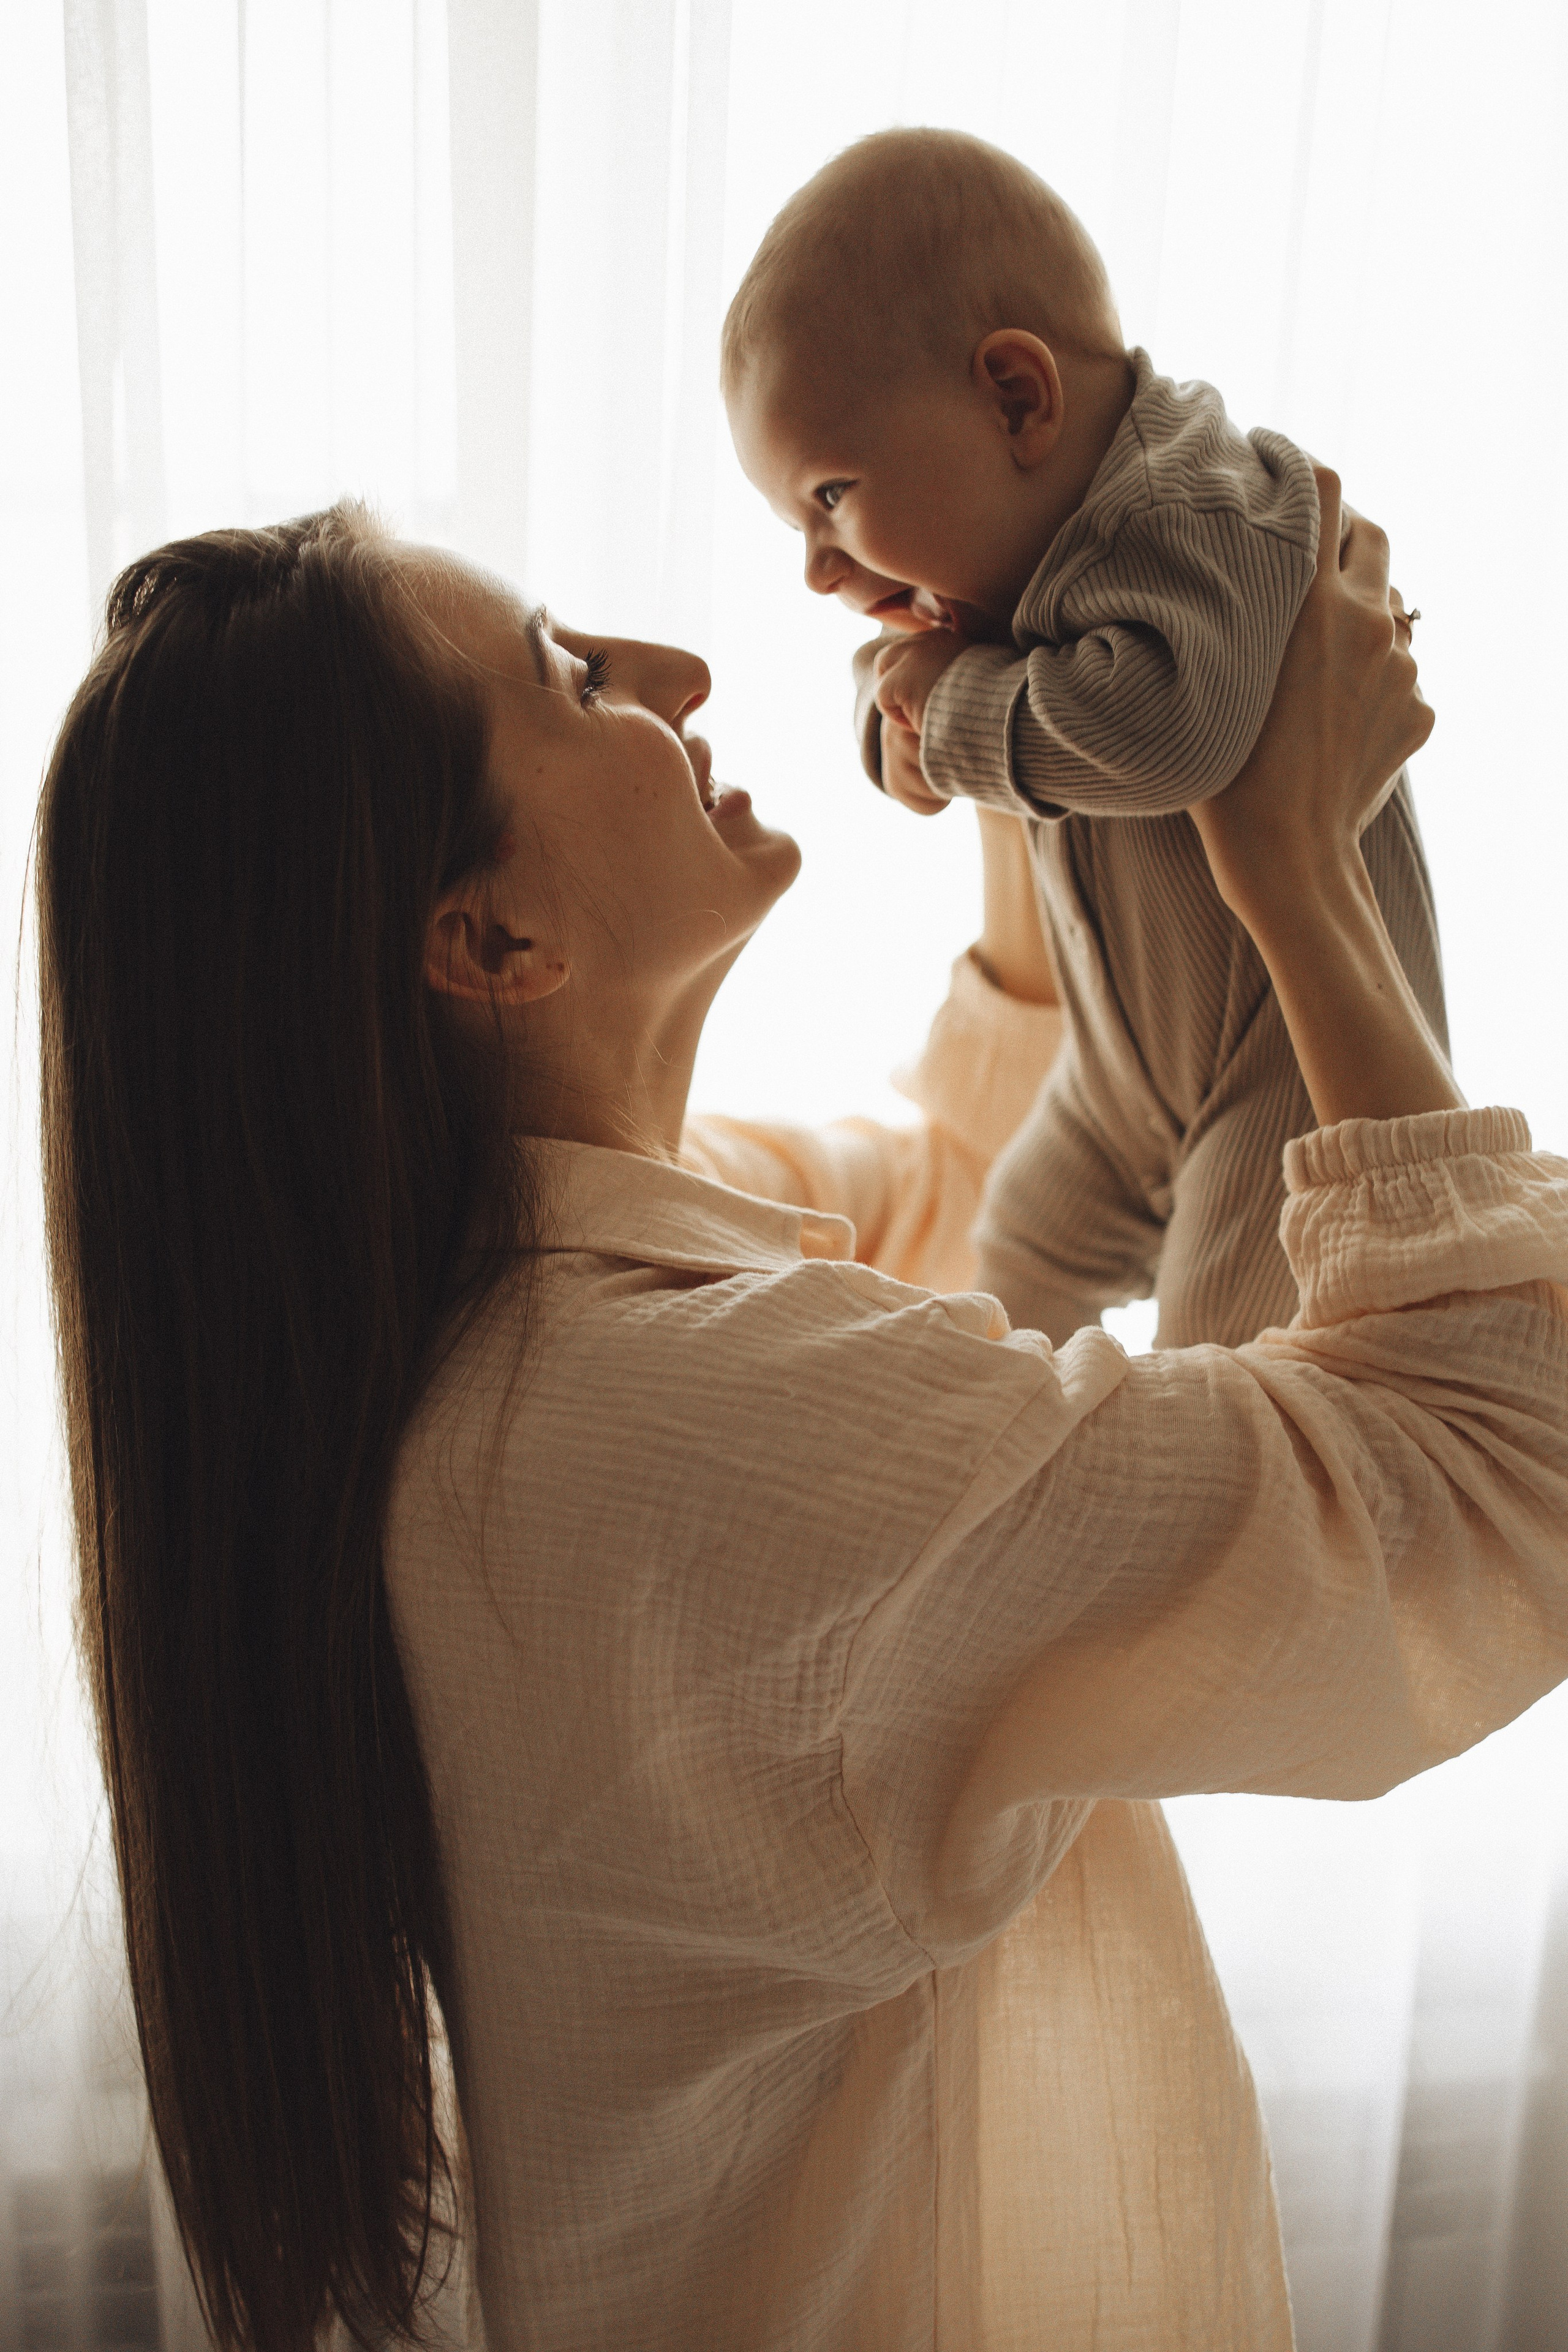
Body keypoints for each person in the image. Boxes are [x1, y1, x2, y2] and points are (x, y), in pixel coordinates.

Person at [36, 484, 1568, 2352]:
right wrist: (1301, 867)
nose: (674, 672)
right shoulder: (691, 1423)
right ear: (492, 941)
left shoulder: (491, 1329)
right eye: (571, 675)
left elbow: (956, 1188)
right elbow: (1500, 1481)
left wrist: (1028, 731)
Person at [723, 126, 1448, 1351]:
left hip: (1283, 1079)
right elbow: (905, 677)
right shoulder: (1007, 560)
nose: (814, 568)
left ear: (1016, 397)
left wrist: (942, 713)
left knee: (1217, 1352)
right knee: (1018, 1244)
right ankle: (1018, 1453)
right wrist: (892, 715)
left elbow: (1166, 731)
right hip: (1121, 1065)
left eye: (829, 498)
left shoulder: (1193, 505)